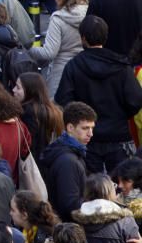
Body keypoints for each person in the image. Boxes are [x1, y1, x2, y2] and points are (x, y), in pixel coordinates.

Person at [55, 15, 142, 174]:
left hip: (87, 138)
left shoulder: (73, 66)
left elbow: (63, 100)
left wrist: (81, 121)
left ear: (83, 38)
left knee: (90, 190)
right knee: (122, 189)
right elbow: (136, 100)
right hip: (118, 136)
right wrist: (121, 115)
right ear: (105, 37)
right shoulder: (121, 66)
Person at [41, 101, 96, 222]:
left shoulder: (71, 152)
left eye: (92, 128)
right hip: (69, 228)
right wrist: (98, 201)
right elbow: (69, 205)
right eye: (85, 128)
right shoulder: (68, 161)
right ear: (70, 127)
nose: (90, 134)